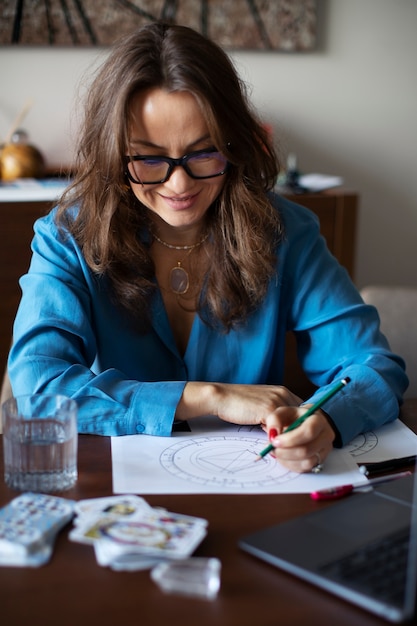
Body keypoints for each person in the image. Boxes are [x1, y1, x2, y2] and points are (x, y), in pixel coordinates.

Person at [8, 22, 407, 474]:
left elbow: (374, 366)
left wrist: (328, 419)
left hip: (253, 491)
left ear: (233, 144)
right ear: (114, 155)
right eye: (149, 159)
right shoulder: (66, 238)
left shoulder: (287, 232)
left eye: (203, 153)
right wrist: (208, 396)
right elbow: (39, 392)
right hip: (114, 493)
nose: (179, 184)